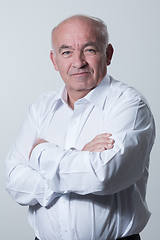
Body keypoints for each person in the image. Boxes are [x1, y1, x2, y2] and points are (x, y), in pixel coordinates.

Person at [5, 15, 155, 240]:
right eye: (66, 52)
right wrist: (81, 157)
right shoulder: (40, 108)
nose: (78, 62)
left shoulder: (130, 104)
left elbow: (103, 176)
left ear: (108, 54)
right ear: (54, 60)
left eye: (89, 50)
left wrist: (40, 154)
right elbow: (15, 182)